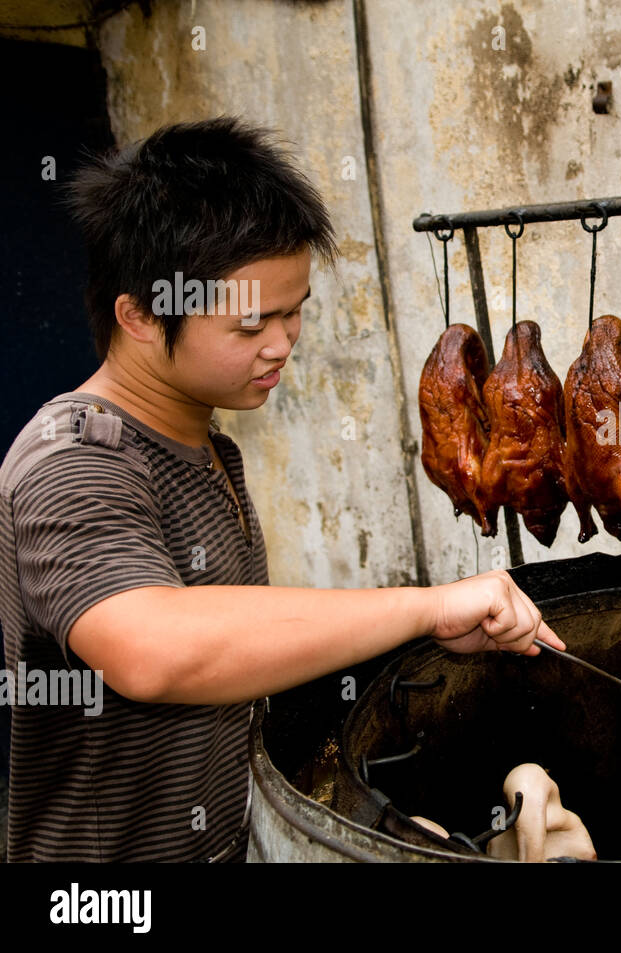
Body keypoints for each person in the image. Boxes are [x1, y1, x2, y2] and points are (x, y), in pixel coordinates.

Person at [0, 116, 563, 862]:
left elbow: (236, 661)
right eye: (249, 325)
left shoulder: (207, 446)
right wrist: (423, 604)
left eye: (294, 311)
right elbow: (154, 650)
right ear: (138, 313)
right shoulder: (75, 459)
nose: (281, 344)